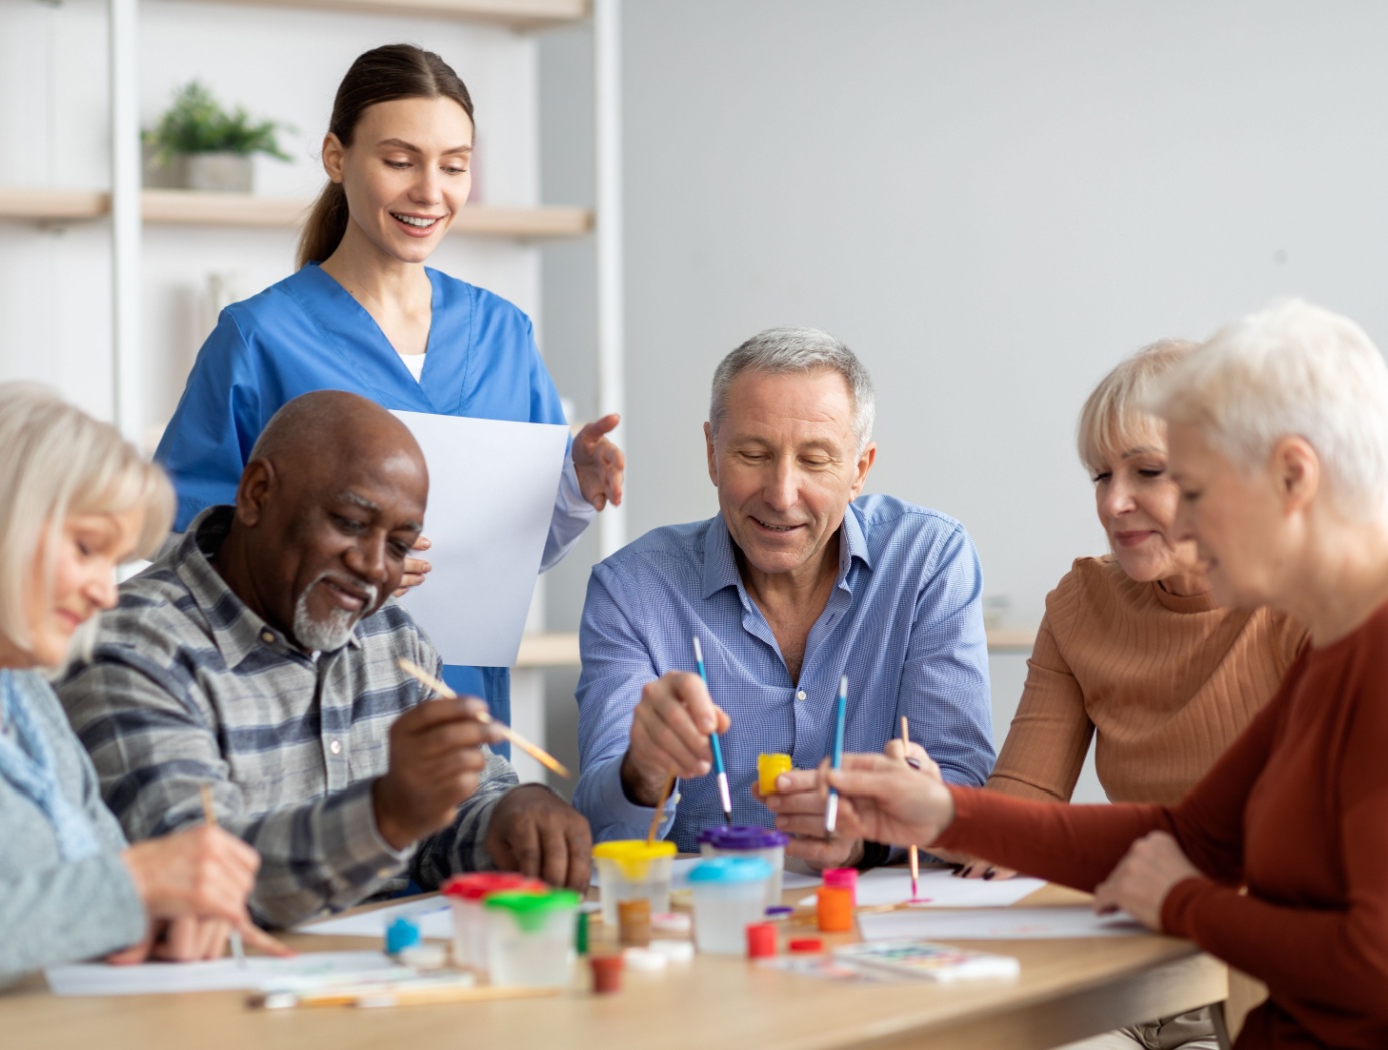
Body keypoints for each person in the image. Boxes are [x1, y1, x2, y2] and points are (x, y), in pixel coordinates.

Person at [825, 300, 1388, 1050]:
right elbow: (1192, 834)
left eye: (1196, 490)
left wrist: (1183, 903)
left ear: (1292, 477)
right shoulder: (1348, 642)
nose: (1178, 525)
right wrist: (943, 815)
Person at [153, 43, 625, 734]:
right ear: (337, 158)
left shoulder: (502, 333)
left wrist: (571, 489)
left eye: (455, 167)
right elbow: (179, 538)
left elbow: (507, 549)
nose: (430, 191)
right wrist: (331, 565)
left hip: (460, 707)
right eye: (400, 161)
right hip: (307, 716)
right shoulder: (259, 338)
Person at [61, 392, 592, 930]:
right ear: (257, 493)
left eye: (399, 547)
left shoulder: (391, 640)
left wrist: (509, 819)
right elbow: (193, 878)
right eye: (350, 523)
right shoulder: (133, 647)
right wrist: (383, 816)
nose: (372, 567)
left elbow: (451, 820)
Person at [0, 386, 280, 1008]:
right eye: (86, 549)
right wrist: (135, 887)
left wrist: (160, 914)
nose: (106, 593)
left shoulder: (23, 694)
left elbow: (92, 892)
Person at [573, 327, 995, 865]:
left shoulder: (928, 560)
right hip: (705, 923)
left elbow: (962, 784)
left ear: (859, 470)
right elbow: (601, 827)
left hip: (872, 914)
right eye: (752, 454)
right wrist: (642, 770)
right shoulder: (631, 589)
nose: (781, 494)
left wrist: (868, 837)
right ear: (711, 454)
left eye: (816, 460)